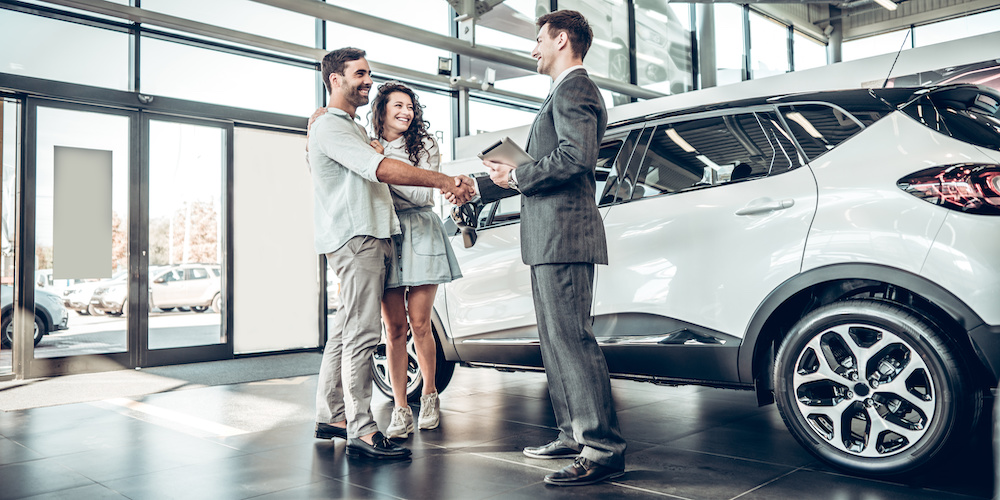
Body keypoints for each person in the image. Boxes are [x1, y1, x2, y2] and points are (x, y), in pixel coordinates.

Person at [449, 10, 626, 486]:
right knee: (556, 343)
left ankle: (602, 449)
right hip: (548, 238)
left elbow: (574, 158)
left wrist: (520, 174)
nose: (533, 49)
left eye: (538, 40)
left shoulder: (576, 89)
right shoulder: (561, 93)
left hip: (565, 236)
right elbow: (545, 166)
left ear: (562, 39)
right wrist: (490, 184)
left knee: (572, 340)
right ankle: (573, 434)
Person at [309, 47, 474, 460]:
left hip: (373, 236)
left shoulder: (344, 127)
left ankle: (332, 415)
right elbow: (379, 170)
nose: (368, 80)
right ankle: (363, 430)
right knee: (365, 335)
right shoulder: (332, 127)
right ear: (335, 79)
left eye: (369, 74)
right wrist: (443, 180)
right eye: (360, 74)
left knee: (347, 331)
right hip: (359, 238)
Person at [369, 81, 462, 439]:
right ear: (382, 110)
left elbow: (422, 193)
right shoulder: (368, 143)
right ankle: (401, 408)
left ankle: (430, 395)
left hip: (422, 231)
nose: (406, 112)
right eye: (398, 106)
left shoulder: (425, 144)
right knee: (393, 329)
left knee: (421, 323)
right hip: (386, 232)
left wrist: (384, 166)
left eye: (410, 106)